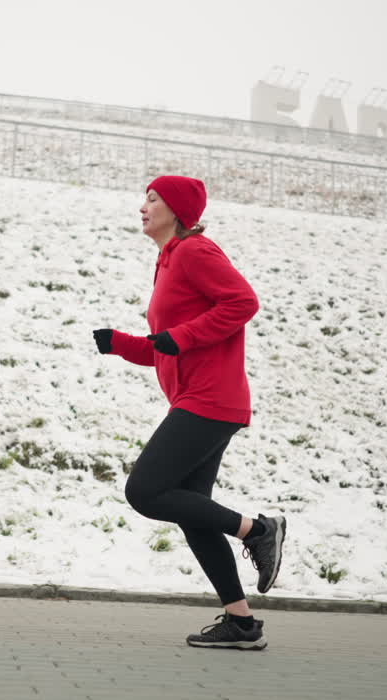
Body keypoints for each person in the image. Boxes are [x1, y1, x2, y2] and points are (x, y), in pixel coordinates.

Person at [93, 175, 286, 651]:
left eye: (152, 199)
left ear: (176, 210)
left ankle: (259, 530)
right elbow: (169, 346)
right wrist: (121, 344)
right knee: (194, 513)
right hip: (198, 398)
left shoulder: (196, 252)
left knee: (145, 491)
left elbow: (243, 302)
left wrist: (180, 337)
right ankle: (241, 623)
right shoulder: (167, 260)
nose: (142, 206)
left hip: (210, 399)